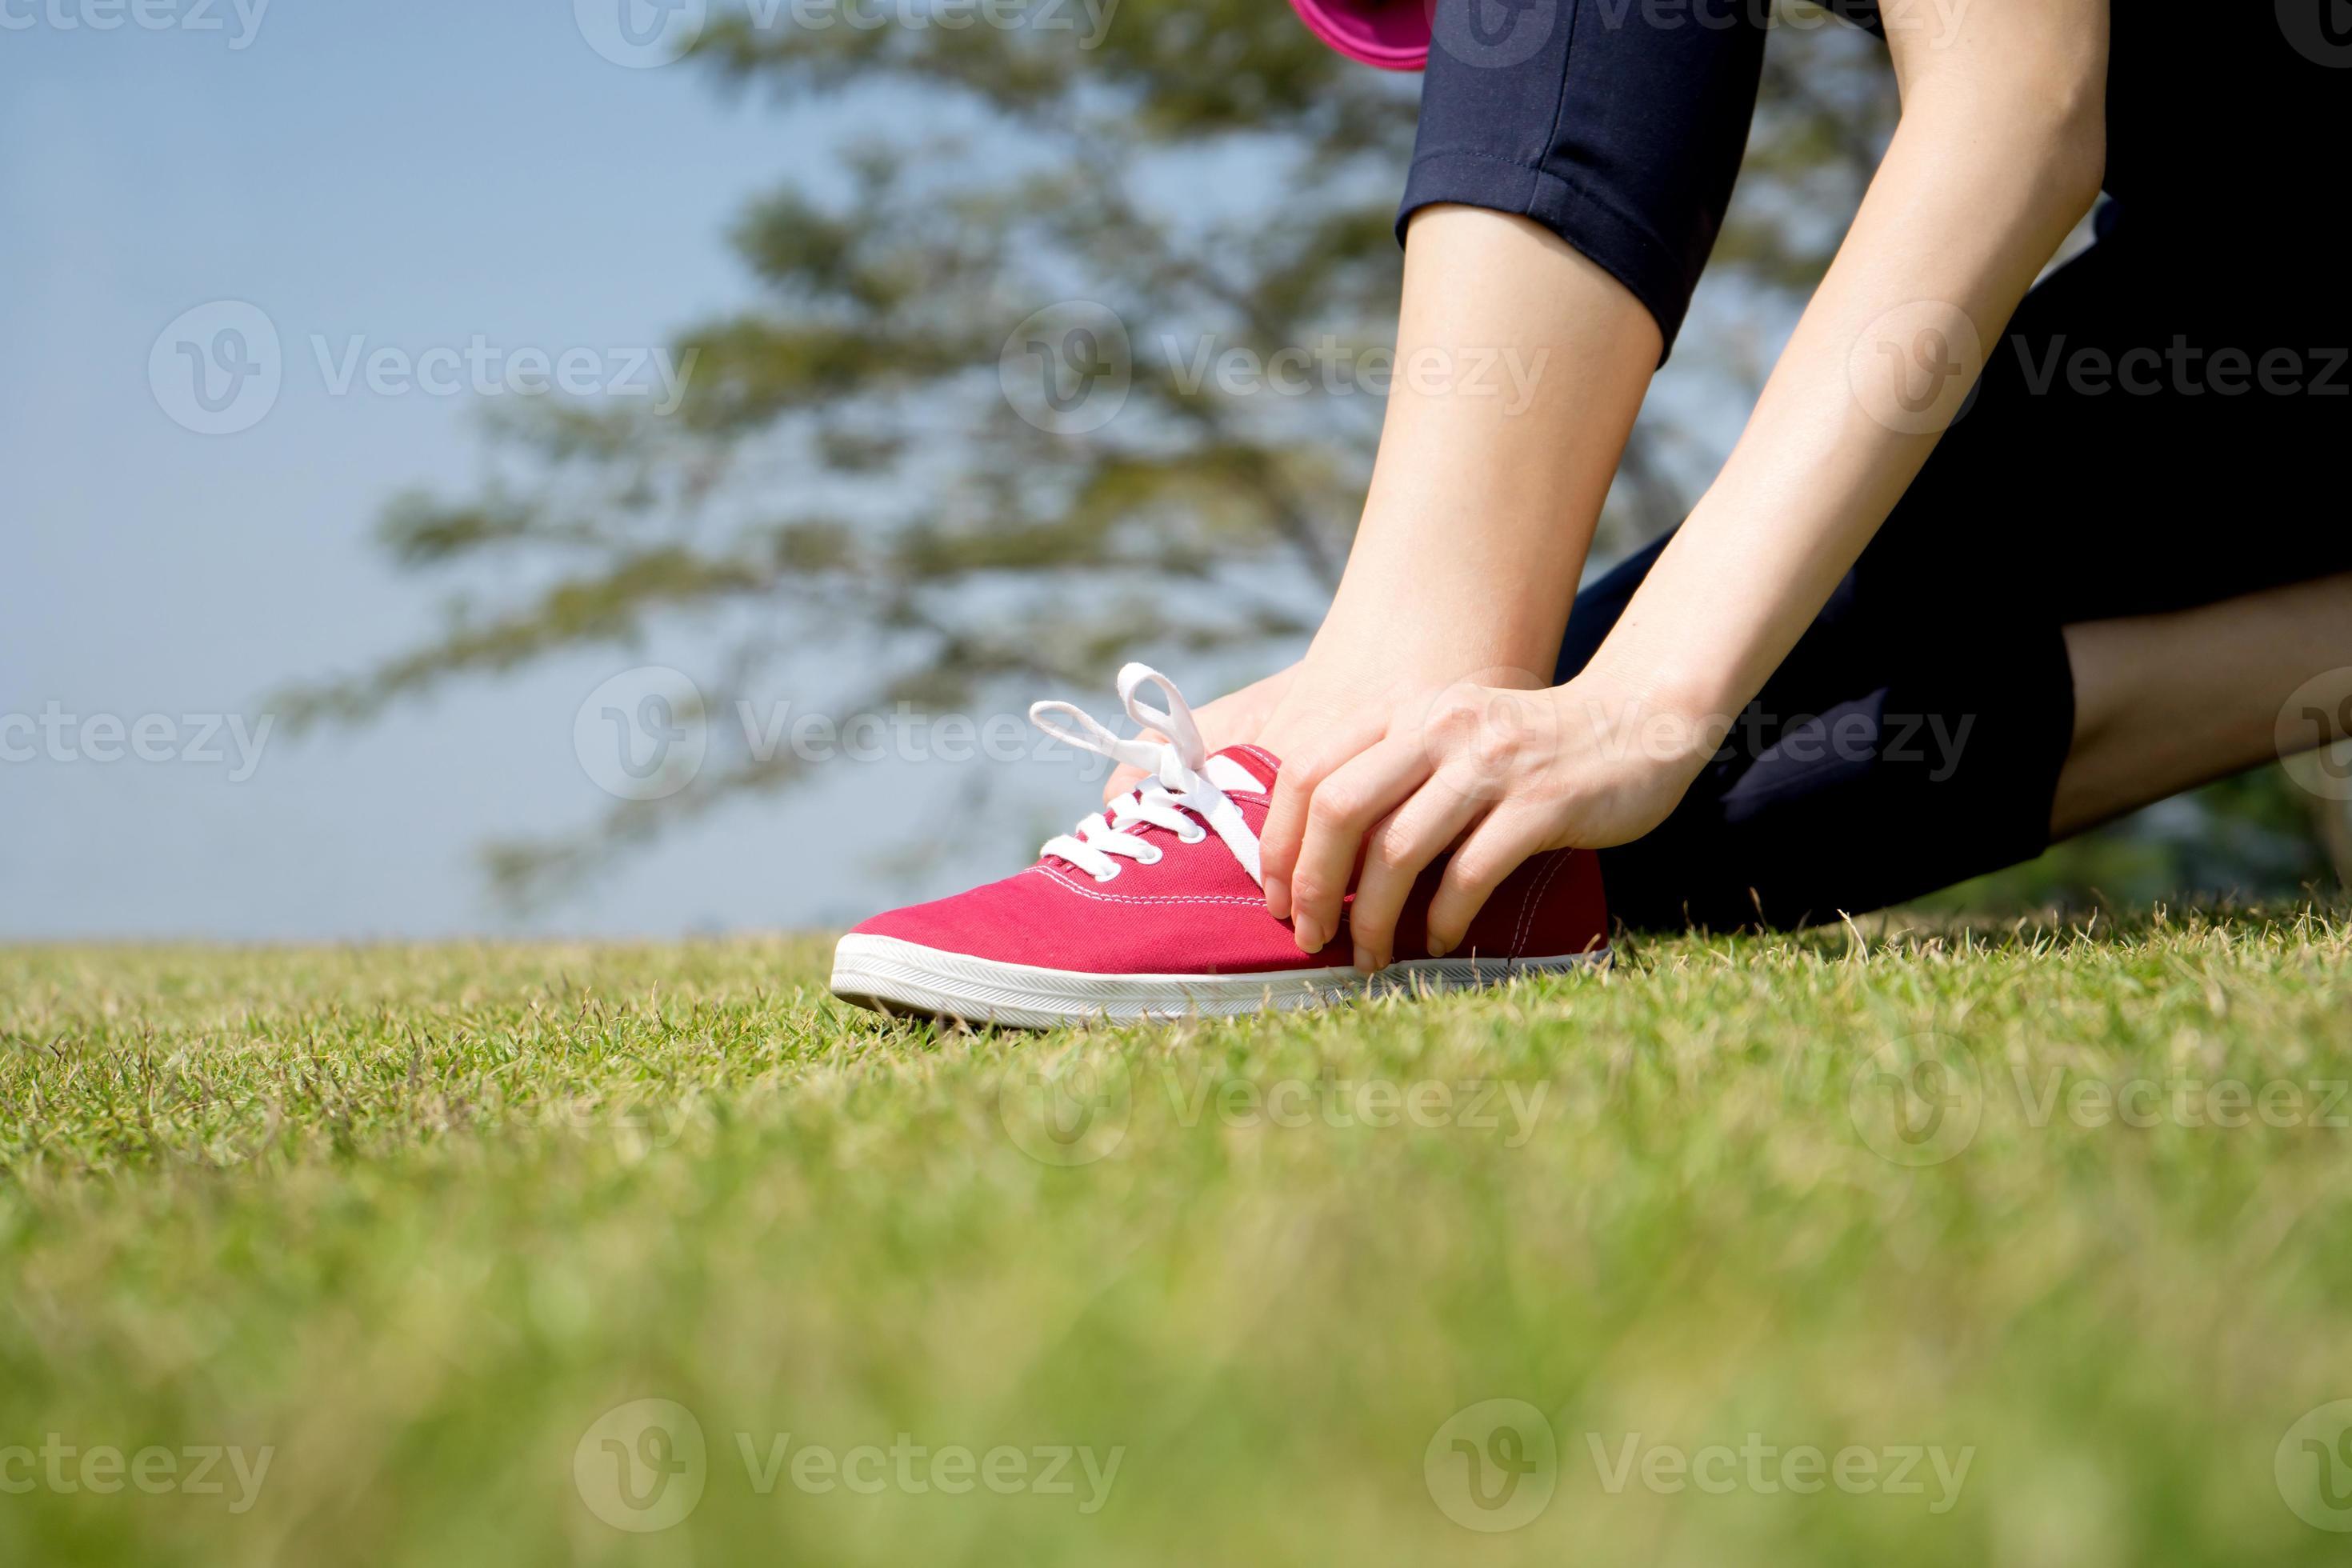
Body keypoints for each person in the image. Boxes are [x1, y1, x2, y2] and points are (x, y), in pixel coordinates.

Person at [830, 0, 2350, 1024]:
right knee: (1503, 853)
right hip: (2264, 317)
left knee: (1572, 754)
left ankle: (1400, 668)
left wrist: (1642, 702)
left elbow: (2022, 101)